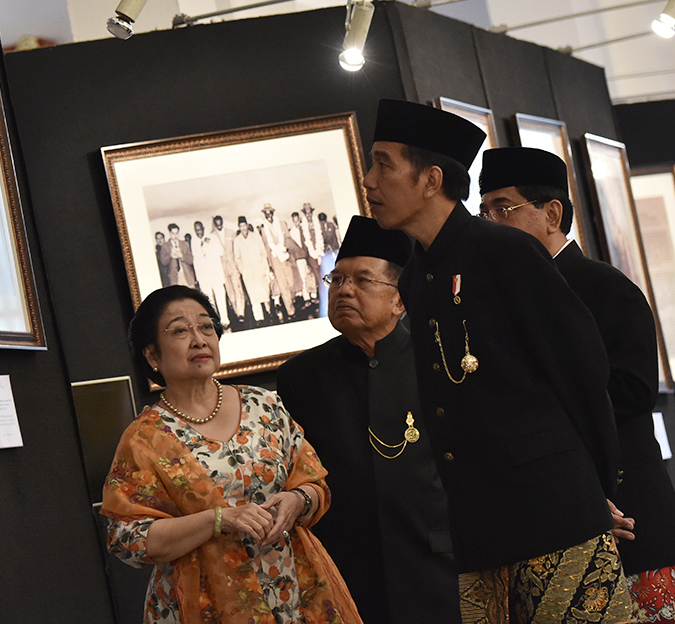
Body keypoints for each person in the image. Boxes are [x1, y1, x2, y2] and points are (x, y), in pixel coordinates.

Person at [363, 98, 631, 622]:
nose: (370, 180)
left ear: (430, 179)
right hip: (480, 526)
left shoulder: (504, 251)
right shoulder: (418, 276)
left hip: (554, 512)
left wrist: (597, 488)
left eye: (383, 163)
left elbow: (580, 368)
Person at [478, 146, 675, 622]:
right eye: (482, 211)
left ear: (552, 213)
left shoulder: (605, 288)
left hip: (628, 509)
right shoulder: (500, 295)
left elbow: (632, 391)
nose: (488, 222)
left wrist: (535, 406)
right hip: (548, 519)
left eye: (502, 208)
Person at [101, 285, 362, 624]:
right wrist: (217, 520)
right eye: (180, 330)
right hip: (207, 603)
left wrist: (298, 501)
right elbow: (128, 538)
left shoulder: (263, 406)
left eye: (206, 326)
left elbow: (315, 483)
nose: (198, 339)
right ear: (152, 356)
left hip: (295, 587)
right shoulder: (144, 438)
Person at [278, 216, 460, 624]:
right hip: (348, 568)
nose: (344, 291)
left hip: (439, 563)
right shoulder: (301, 376)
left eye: (362, 280)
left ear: (400, 299)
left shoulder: (437, 357)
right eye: (337, 280)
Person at [233, 216, 273, 325]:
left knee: (264, 292)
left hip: (259, 268)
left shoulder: (255, 237)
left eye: (244, 225)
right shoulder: (237, 241)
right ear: (239, 227)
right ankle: (259, 318)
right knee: (253, 296)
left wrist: (264, 267)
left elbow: (263, 252)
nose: (243, 228)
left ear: (247, 225)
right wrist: (243, 270)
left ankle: (269, 312)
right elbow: (237, 258)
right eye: (241, 226)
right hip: (248, 272)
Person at [190, 220, 230, 328]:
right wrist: (198, 277)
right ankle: (214, 321)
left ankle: (225, 320)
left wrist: (210, 244)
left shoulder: (212, 237)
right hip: (204, 276)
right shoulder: (194, 241)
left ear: (203, 228)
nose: (198, 232)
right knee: (208, 300)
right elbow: (195, 260)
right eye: (196, 230)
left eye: (199, 229)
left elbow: (221, 252)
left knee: (220, 296)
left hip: (215, 273)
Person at [212, 215, 246, 324]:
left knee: (238, 288)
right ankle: (236, 311)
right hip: (222, 268)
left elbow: (237, 250)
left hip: (233, 265)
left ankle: (241, 313)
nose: (219, 226)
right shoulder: (212, 236)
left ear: (222, 222)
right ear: (214, 224)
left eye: (220, 224)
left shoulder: (231, 233)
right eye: (217, 225)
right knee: (230, 291)